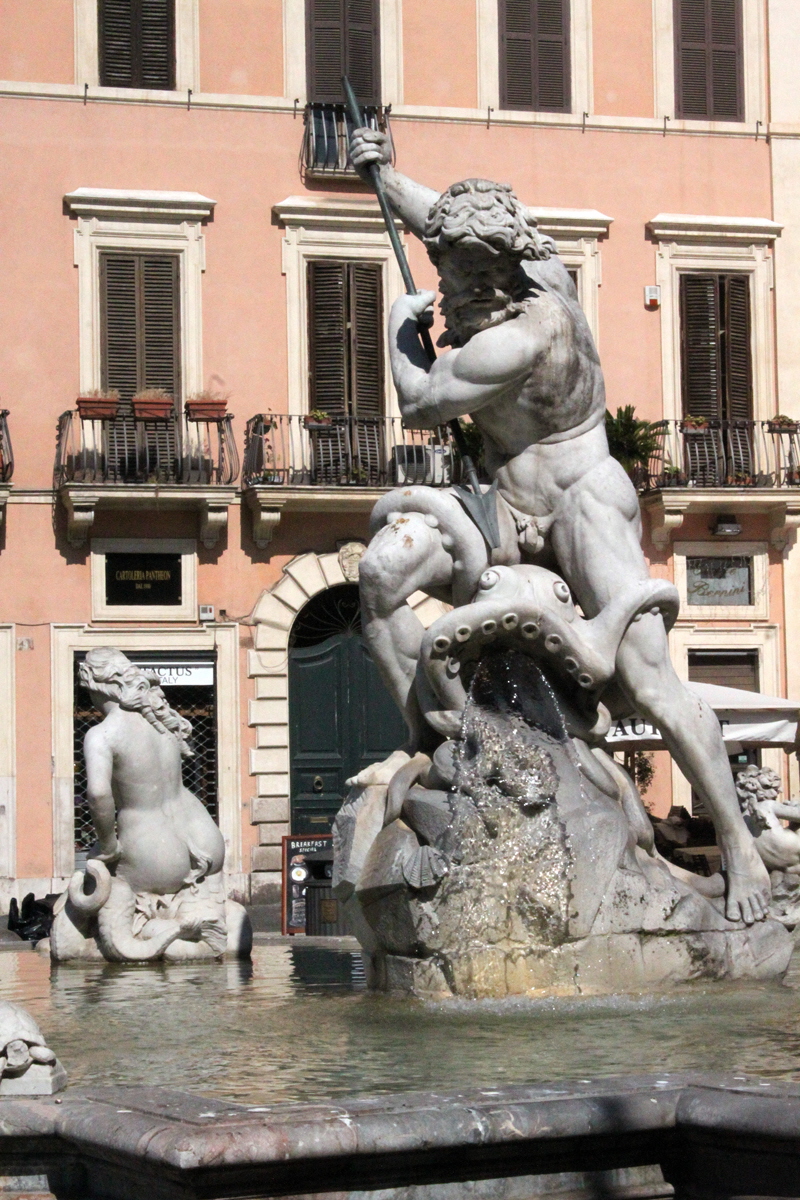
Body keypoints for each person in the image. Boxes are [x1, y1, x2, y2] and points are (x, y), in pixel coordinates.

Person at [347, 127, 770, 925]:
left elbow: (418, 400)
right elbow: (439, 215)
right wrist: (385, 175)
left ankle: (743, 850)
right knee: (378, 580)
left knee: (650, 683)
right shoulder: (519, 257)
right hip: (499, 508)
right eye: (442, 271)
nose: (448, 288)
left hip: (580, 499)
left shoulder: (524, 332)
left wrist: (405, 331)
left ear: (505, 268)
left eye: (465, 275)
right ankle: (436, 738)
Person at [80, 648, 225, 896]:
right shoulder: (163, 722)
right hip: (205, 834)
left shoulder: (102, 734)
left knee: (94, 896)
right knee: (209, 914)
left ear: (100, 687)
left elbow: (98, 794)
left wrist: (107, 846)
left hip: (154, 850)